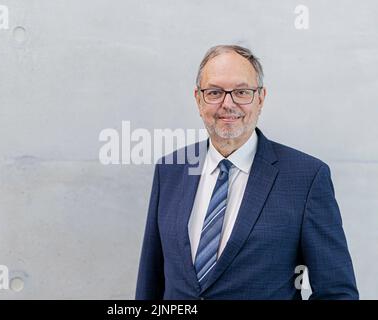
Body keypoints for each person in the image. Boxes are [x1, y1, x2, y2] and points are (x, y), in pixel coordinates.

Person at [135, 45, 359, 300]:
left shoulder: (306, 177)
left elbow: (337, 292)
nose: (227, 104)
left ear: (260, 98)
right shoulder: (170, 170)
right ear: (198, 99)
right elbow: (150, 283)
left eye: (242, 92)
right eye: (215, 92)